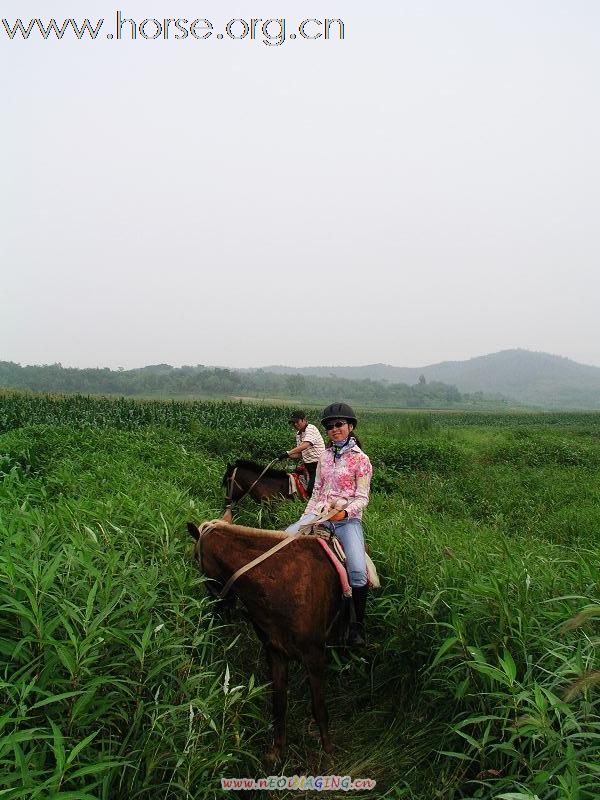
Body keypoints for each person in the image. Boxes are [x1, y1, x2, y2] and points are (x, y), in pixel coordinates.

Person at [286, 403, 372, 646]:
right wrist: (305, 519)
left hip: (347, 521)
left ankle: (357, 627)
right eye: (330, 426)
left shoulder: (361, 460)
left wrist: (344, 515)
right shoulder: (324, 457)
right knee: (285, 539)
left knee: (356, 568)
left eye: (339, 425)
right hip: (319, 515)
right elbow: (317, 492)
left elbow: (362, 497)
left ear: (350, 427)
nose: (334, 429)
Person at [279, 410, 325, 496]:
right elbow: (300, 454)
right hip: (309, 465)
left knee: (312, 489)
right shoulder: (298, 435)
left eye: (297, 422)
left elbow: (305, 445)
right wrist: (286, 456)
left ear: (303, 420)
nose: (295, 424)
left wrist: (288, 452)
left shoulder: (311, 428)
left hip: (319, 464)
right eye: (293, 423)